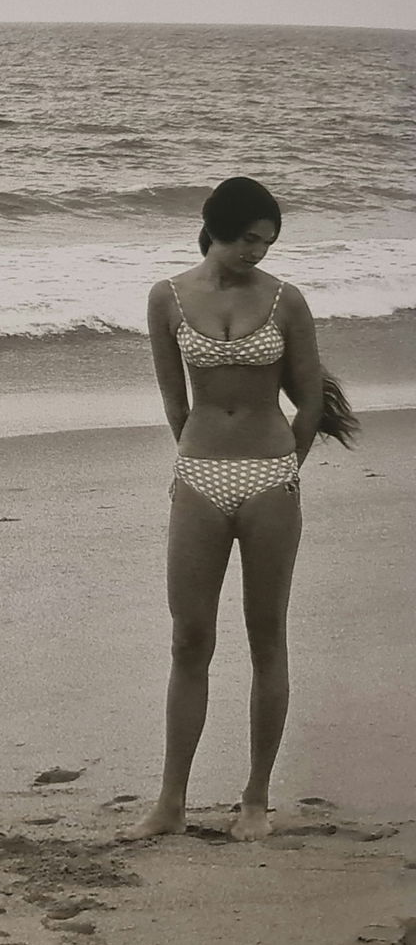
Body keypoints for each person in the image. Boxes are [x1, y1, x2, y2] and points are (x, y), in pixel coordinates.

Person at [125, 176, 357, 842]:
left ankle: (255, 800)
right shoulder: (167, 297)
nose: (258, 251)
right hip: (198, 474)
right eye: (249, 239)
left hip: (271, 477)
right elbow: (175, 400)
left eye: (267, 242)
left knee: (266, 637)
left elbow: (308, 401)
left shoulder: (286, 300)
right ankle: (170, 803)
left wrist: (286, 468)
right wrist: (196, 457)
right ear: (218, 229)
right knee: (189, 638)